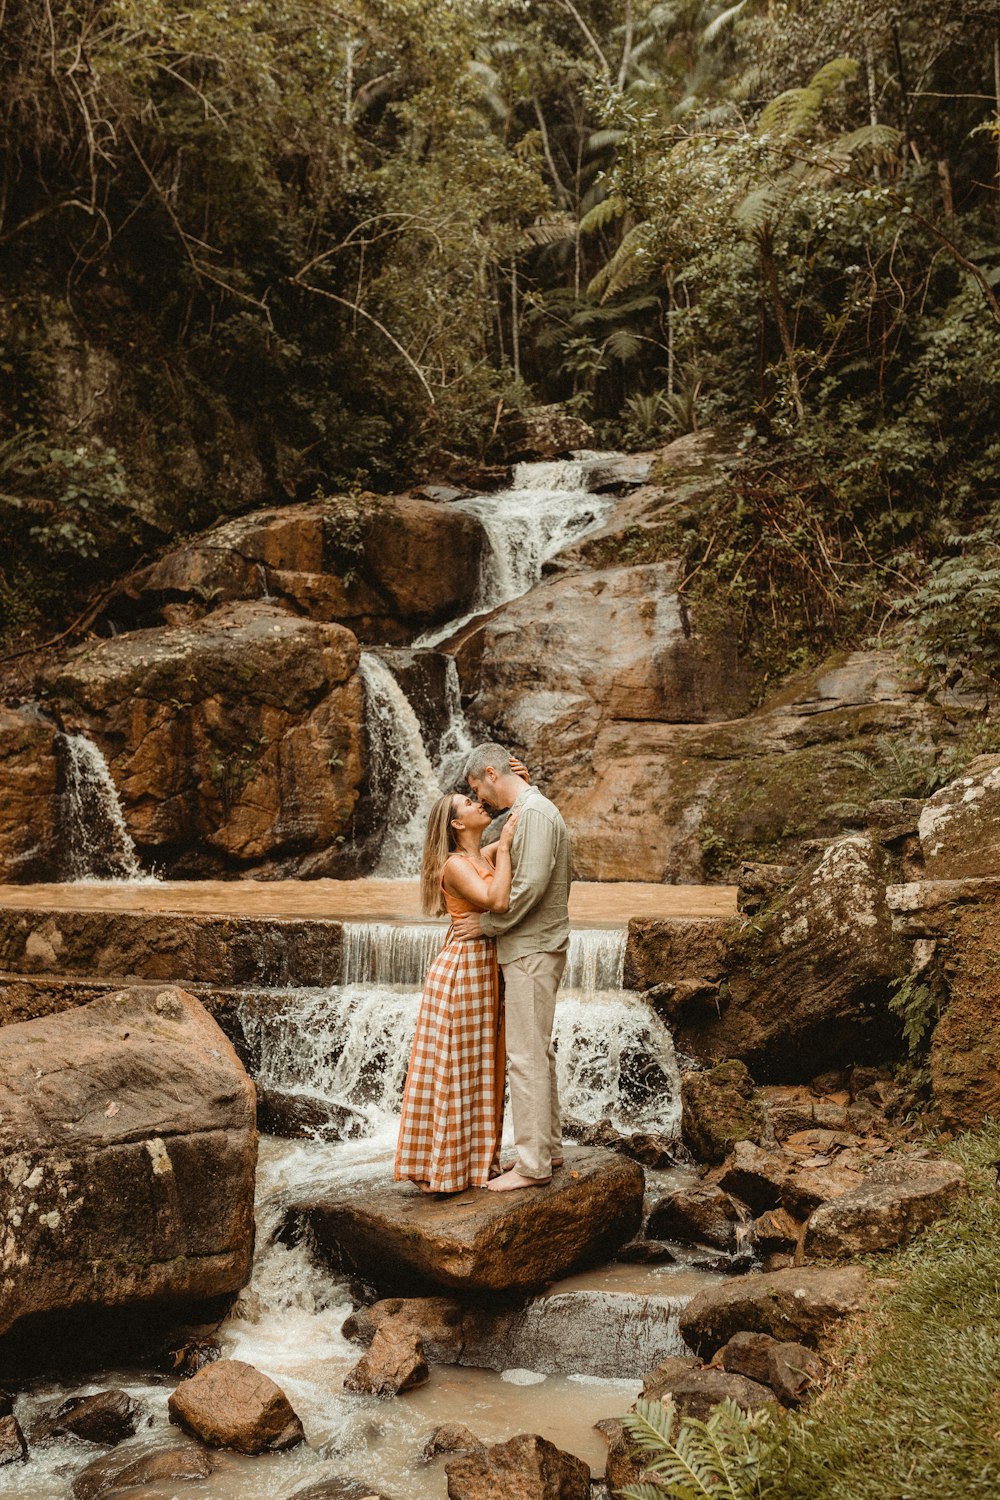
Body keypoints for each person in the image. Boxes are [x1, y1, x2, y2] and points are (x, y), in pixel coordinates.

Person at [453, 743, 571, 1192]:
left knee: (524, 1056)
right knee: (537, 1052)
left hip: (531, 949)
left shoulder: (536, 814)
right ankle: (549, 1150)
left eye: (477, 788)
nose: (480, 799)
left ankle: (532, 1165)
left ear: (489, 772)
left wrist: (484, 924)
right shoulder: (529, 811)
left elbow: (528, 889)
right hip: (532, 947)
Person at [393, 791, 521, 1194]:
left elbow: (520, 826)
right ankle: (443, 1168)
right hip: (464, 972)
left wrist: (523, 790)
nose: (478, 803)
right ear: (456, 824)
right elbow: (497, 900)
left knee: (481, 1066)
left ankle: (473, 1164)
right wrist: (506, 843)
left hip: (483, 969)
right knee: (456, 1066)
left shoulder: (481, 855)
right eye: (468, 802)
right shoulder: (455, 865)